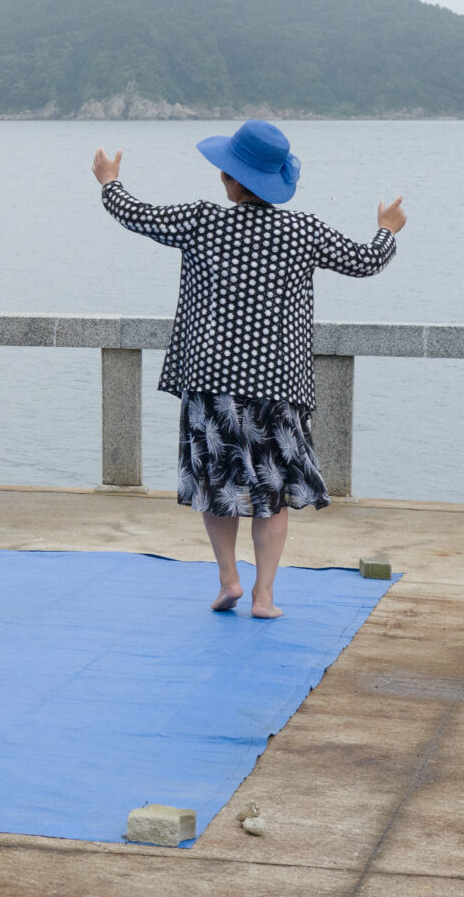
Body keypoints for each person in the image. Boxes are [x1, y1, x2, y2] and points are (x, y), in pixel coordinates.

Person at [92, 120, 406, 618]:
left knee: (218, 487)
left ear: (228, 178)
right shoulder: (303, 230)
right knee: (271, 491)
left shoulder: (200, 221)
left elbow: (132, 213)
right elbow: (366, 261)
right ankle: (265, 595)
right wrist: (387, 229)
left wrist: (109, 178)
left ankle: (229, 581)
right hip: (277, 385)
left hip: (211, 380)